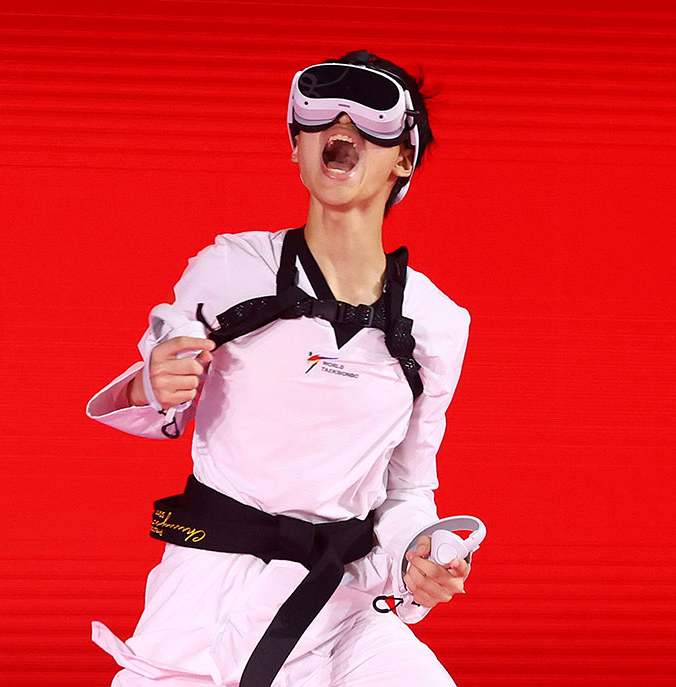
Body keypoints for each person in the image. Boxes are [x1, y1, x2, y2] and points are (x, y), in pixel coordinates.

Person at [87, 50, 473, 687]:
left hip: (343, 606)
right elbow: (161, 395)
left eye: (368, 117)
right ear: (296, 149)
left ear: (404, 158)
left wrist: (417, 550)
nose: (340, 127)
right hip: (210, 601)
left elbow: (407, 487)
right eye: (318, 120)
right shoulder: (228, 266)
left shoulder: (437, 321)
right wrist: (148, 383)